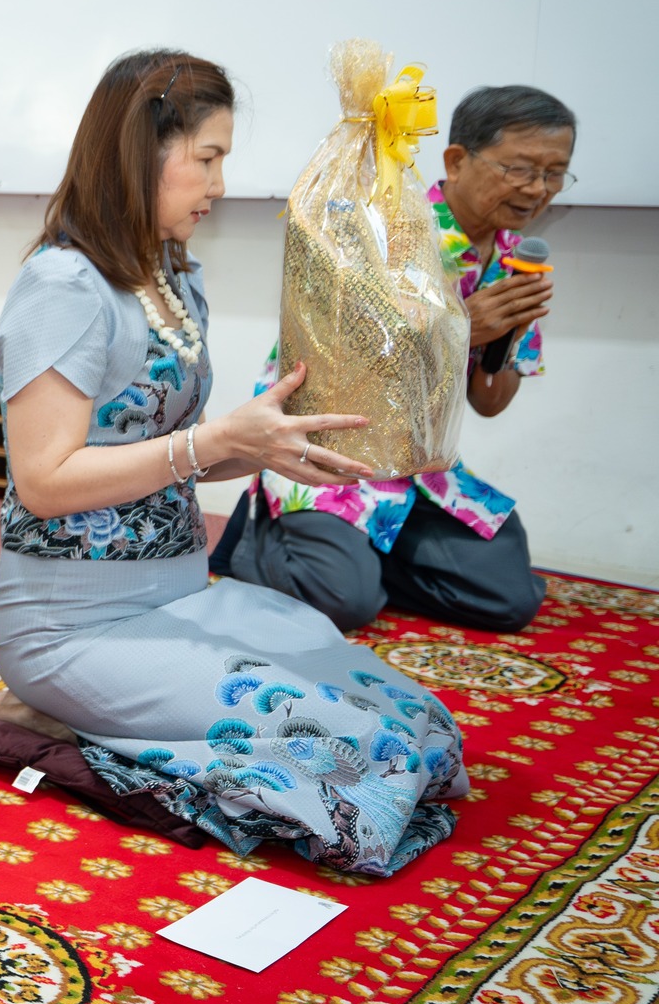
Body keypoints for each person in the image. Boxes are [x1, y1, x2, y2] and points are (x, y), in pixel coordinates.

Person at [0, 49, 467, 877]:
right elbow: (45, 481)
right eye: (207, 158)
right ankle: (58, 707)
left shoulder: (172, 276)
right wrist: (216, 442)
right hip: (71, 627)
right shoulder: (64, 287)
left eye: (223, 161)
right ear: (139, 153)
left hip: (177, 594)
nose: (218, 184)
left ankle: (97, 722)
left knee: (413, 720)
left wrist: (261, 447)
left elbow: (162, 456)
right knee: (355, 748)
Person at [216, 85, 573, 635]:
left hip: (414, 468)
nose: (538, 189)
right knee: (345, 601)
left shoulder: (513, 263)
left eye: (555, 174)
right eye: (521, 169)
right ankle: (259, 537)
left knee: (511, 597)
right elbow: (344, 365)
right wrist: (461, 331)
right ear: (456, 160)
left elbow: (489, 403)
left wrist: (507, 337)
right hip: (331, 447)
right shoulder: (390, 226)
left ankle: (363, 557)